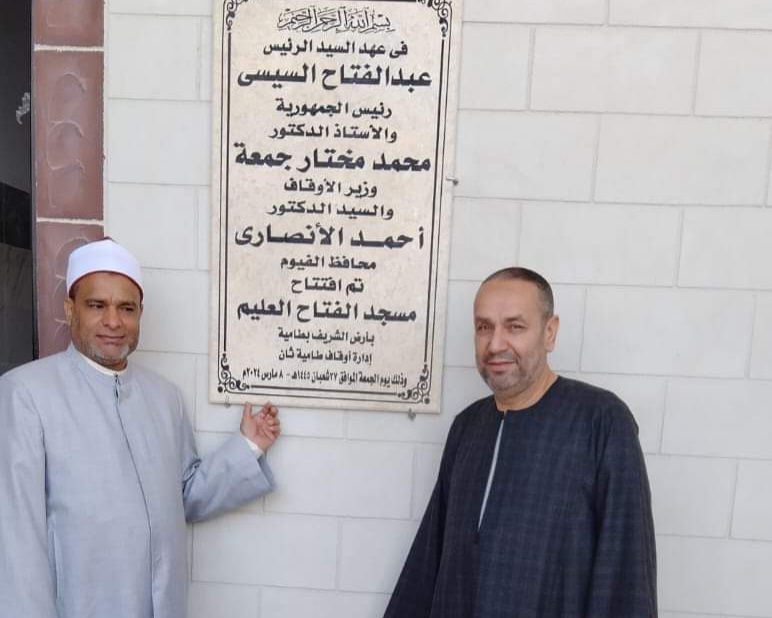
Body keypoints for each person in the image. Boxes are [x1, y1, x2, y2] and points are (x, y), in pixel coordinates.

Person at [0, 238, 280, 618]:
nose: (113, 321)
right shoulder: (26, 393)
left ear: (139, 314)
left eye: (126, 308)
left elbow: (182, 497)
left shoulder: (164, 398)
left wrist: (249, 446)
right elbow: (16, 538)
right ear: (70, 310)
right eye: (97, 305)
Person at [384, 267, 657, 618]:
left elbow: (626, 573)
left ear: (549, 333)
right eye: (484, 327)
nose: (495, 344)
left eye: (515, 326)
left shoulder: (601, 422)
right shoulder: (467, 428)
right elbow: (430, 560)